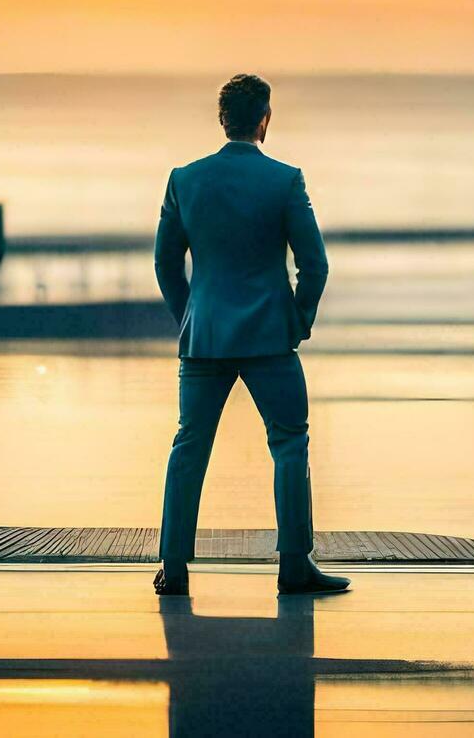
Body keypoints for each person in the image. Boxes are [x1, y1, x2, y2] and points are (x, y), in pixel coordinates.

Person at [152, 73, 349, 597]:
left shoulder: (184, 179)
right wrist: (296, 320)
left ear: (222, 120)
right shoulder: (285, 180)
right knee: (289, 444)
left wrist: (190, 314)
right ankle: (293, 565)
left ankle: (173, 567)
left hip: (206, 334)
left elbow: (165, 262)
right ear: (265, 119)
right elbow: (316, 265)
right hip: (268, 335)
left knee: (189, 446)